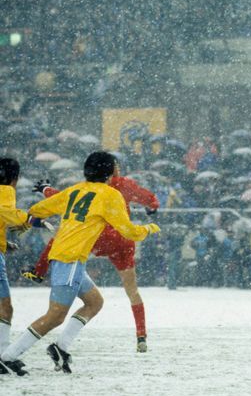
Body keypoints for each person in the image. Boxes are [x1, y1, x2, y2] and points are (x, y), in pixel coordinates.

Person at [0, 152, 160, 376]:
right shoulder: (110, 195)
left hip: (64, 257)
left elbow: (41, 208)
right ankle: (8, 357)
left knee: (94, 302)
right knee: (55, 315)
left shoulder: (76, 189)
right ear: (109, 171)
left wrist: (27, 221)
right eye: (115, 166)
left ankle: (60, 347)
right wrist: (150, 228)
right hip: (71, 260)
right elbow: (129, 231)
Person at [0, 158, 51, 372]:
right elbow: (5, 212)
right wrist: (33, 220)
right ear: (16, 178)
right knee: (5, 308)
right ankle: (3, 356)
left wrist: (4, 243)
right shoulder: (5, 189)